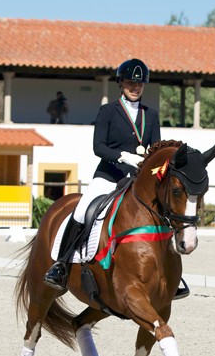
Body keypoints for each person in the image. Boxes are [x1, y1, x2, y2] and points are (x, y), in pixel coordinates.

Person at [43, 58, 188, 299]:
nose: (135, 87)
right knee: (82, 210)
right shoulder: (108, 111)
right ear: (121, 84)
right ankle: (62, 264)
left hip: (139, 179)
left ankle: (171, 273)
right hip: (109, 175)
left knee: (164, 214)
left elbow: (157, 148)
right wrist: (123, 156)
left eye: (139, 84)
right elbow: (98, 147)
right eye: (131, 83)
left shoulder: (151, 115)